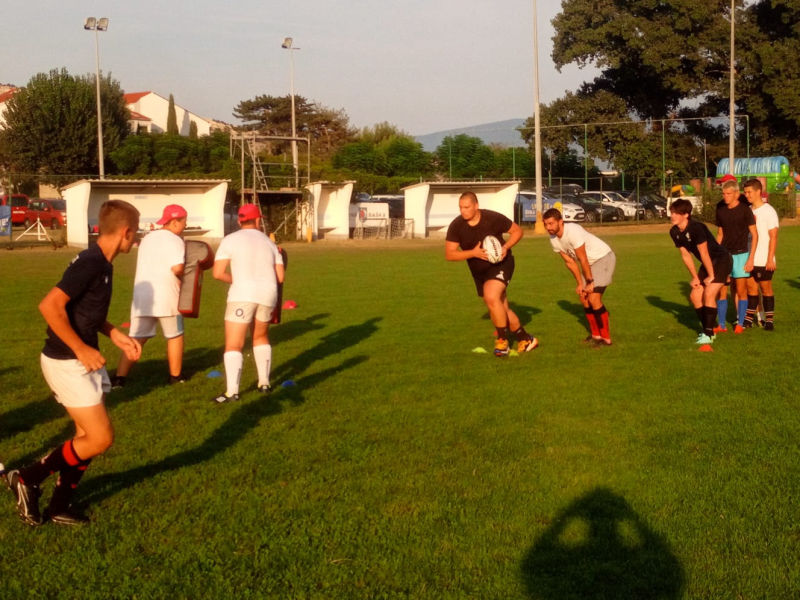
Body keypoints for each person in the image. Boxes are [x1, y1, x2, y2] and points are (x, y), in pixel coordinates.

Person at [4, 200, 142, 526]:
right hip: (67, 360)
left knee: (84, 438)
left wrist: (114, 334)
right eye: (134, 235)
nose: (134, 242)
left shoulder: (102, 264)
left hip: (81, 358)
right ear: (125, 231)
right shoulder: (92, 262)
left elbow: (85, 311)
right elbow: (50, 306)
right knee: (100, 438)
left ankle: (59, 505)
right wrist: (81, 349)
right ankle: (26, 477)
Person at [445, 191, 537, 356]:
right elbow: (449, 254)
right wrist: (473, 253)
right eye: (460, 207)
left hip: (502, 264)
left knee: (491, 296)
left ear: (476, 206)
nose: (463, 211)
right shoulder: (457, 225)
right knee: (499, 307)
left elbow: (517, 231)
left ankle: (502, 341)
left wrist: (505, 247)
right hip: (478, 272)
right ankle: (525, 338)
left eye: (466, 207)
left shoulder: (492, 218)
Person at [211, 203, 284, 403]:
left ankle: (232, 392)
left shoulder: (230, 240)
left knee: (234, 343)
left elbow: (217, 273)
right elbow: (280, 276)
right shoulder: (270, 243)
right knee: (260, 337)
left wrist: (238, 280)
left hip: (242, 295)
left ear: (239, 220)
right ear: (259, 219)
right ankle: (264, 383)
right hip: (268, 294)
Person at [113, 204, 187, 387]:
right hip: (167, 296)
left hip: (143, 295)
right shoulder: (176, 240)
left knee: (136, 338)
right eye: (184, 221)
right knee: (175, 335)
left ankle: (119, 379)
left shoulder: (147, 238)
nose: (185, 225)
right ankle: (175, 377)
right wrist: (188, 276)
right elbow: (177, 268)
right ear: (176, 222)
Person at [542, 208, 616, 346]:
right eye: (545, 224)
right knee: (584, 298)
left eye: (551, 223)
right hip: (590, 263)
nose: (548, 227)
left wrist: (589, 281)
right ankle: (596, 335)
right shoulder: (553, 239)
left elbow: (582, 259)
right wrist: (579, 284)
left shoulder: (573, 231)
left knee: (593, 297)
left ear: (561, 222)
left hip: (603, 257)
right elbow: (570, 262)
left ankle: (606, 338)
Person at [669, 199, 732, 351]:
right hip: (708, 263)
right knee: (695, 296)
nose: (672, 215)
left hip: (721, 260)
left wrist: (710, 275)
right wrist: (695, 277)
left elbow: (704, 252)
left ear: (686, 215)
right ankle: (708, 329)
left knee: (709, 294)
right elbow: (686, 255)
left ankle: (709, 334)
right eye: (671, 212)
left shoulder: (697, 227)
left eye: (675, 213)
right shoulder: (674, 231)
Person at [715, 178, 757, 333]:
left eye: (728, 193)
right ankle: (722, 325)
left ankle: (740, 324)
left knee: (741, 290)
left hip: (741, 254)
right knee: (722, 289)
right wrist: (716, 255)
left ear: (736, 194)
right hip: (725, 255)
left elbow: (754, 234)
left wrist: (751, 258)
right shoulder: (720, 208)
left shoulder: (745, 210)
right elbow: (720, 233)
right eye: (723, 193)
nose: (725, 196)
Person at [742, 178, 778, 330]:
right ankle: (753, 318)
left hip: (764, 259)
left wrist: (770, 259)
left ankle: (769, 320)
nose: (747, 195)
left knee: (766, 289)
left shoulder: (768, 210)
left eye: (749, 192)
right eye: (745, 192)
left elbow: (773, 236)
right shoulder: (747, 210)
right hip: (749, 258)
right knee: (751, 290)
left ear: (758, 191)